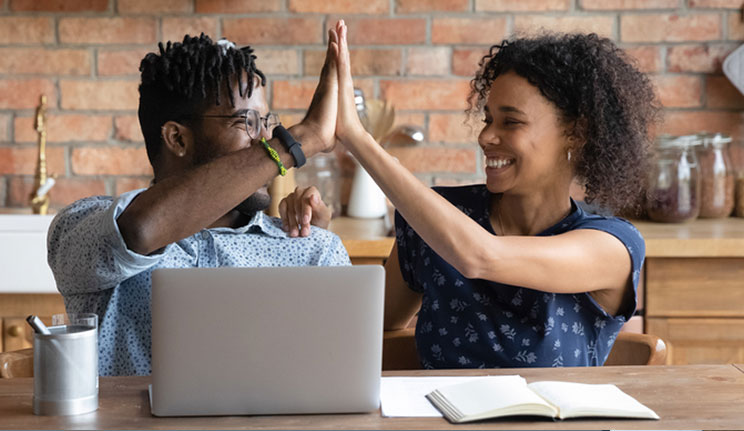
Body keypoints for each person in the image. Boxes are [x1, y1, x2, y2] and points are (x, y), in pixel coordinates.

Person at [282, 21, 660, 368]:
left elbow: (479, 256)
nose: (486, 137)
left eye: (510, 121)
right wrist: (316, 240)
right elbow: (367, 326)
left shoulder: (613, 246)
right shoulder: (439, 219)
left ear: (576, 133)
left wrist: (358, 137)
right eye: (488, 119)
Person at [47, 32, 345, 376]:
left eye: (265, 123)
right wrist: (299, 141)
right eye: (246, 122)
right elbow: (140, 230)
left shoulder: (311, 250)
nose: (266, 141)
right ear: (177, 138)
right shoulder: (81, 227)